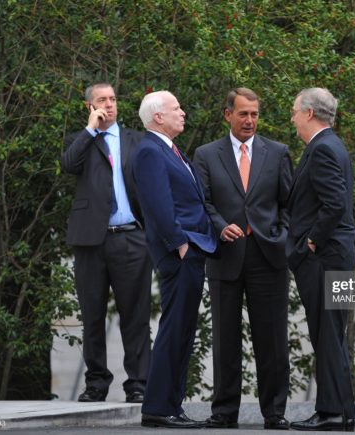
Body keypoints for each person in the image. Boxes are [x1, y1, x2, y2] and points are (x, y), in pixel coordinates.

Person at [194, 88, 293, 430]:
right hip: (225, 258)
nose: (249, 120)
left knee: (273, 341)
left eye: (254, 114)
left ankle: (275, 412)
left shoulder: (278, 152)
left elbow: (288, 204)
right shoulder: (206, 155)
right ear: (227, 115)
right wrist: (220, 227)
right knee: (224, 339)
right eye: (243, 114)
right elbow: (202, 203)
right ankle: (223, 412)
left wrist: (281, 235)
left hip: (268, 257)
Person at [60, 82, 152, 403]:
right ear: (90, 106)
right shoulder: (79, 141)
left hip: (130, 238)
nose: (110, 105)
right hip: (91, 242)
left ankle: (139, 383)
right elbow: (68, 165)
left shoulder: (137, 140)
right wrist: (90, 131)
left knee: (136, 315)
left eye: (113, 99)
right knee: (92, 315)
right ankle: (96, 383)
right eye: (102, 100)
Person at [132, 90, 217, 429]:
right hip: (181, 252)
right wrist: (179, 244)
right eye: (176, 108)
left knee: (183, 330)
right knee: (175, 328)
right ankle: (158, 406)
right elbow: (156, 204)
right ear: (158, 117)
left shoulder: (170, 150)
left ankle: (171, 405)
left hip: (192, 249)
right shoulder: (150, 152)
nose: (183, 112)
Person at [286, 88, 355, 432]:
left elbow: (334, 205)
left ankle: (331, 412)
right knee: (331, 335)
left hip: (324, 257)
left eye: (295, 112)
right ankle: (342, 411)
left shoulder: (323, 149)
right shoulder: (332, 145)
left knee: (327, 335)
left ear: (310, 113)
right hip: (334, 256)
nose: (292, 118)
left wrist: (310, 241)